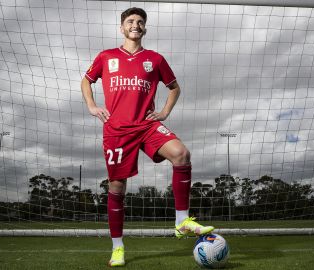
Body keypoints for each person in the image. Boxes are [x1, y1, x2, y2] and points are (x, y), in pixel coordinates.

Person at [81, 7, 214, 267]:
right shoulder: (106, 56)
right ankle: (118, 248)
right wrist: (92, 106)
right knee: (117, 186)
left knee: (181, 154)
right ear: (122, 28)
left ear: (145, 28)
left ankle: (181, 221)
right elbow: (86, 81)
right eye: (130, 21)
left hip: (146, 125)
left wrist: (164, 111)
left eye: (140, 22)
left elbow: (174, 87)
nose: (136, 25)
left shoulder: (155, 59)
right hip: (117, 129)